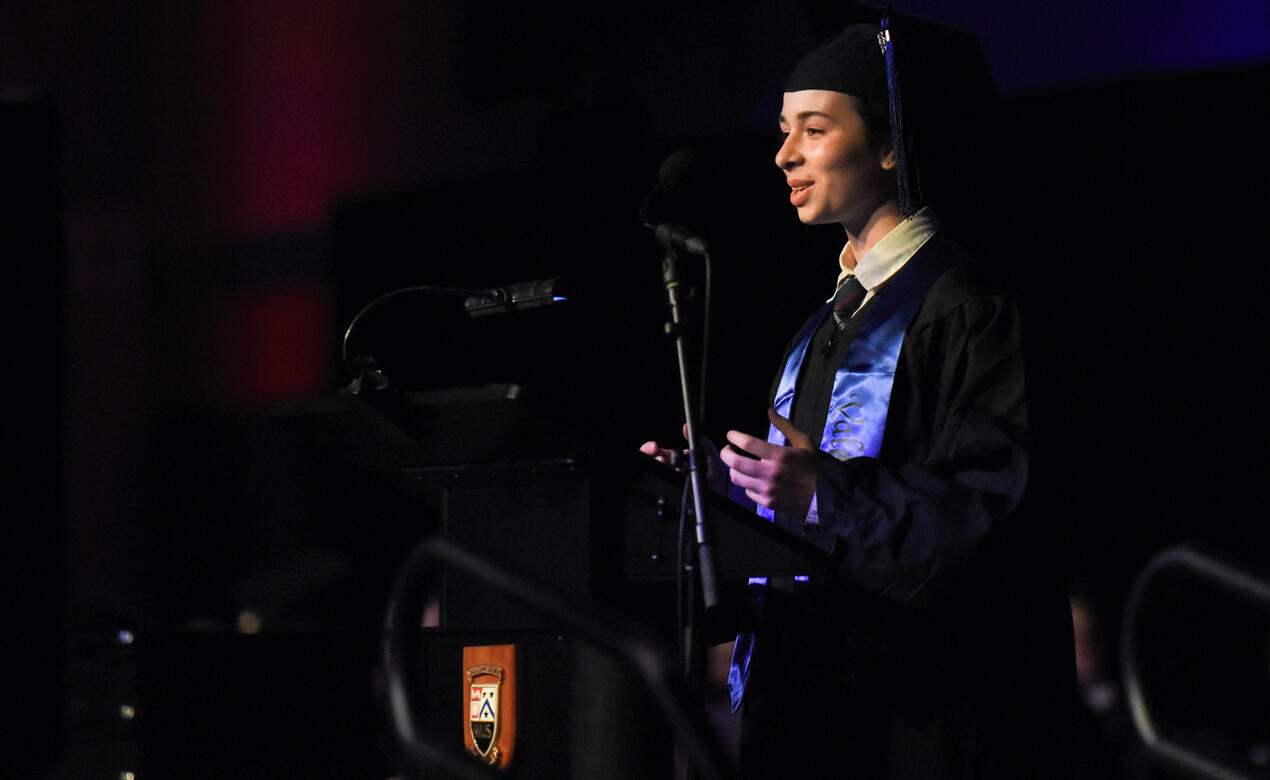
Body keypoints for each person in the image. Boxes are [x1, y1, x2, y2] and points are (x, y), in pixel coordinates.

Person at [641, 17, 1074, 779]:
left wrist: (824, 493)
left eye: (813, 129)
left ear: (889, 145)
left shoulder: (967, 307)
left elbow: (995, 514)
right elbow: (810, 525)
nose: (783, 155)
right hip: (817, 715)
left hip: (926, 721)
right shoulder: (822, 328)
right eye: (782, 131)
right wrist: (728, 491)